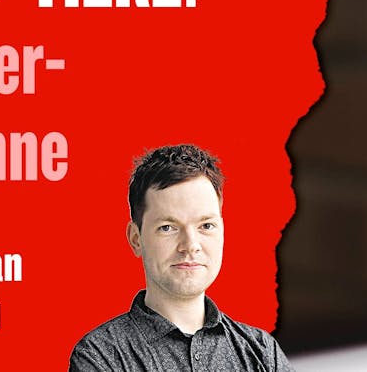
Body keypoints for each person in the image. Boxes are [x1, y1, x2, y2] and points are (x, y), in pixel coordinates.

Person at [71, 145, 291, 371]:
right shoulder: (100, 356)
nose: (190, 246)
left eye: (206, 225)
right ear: (136, 239)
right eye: (168, 227)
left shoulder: (262, 351)